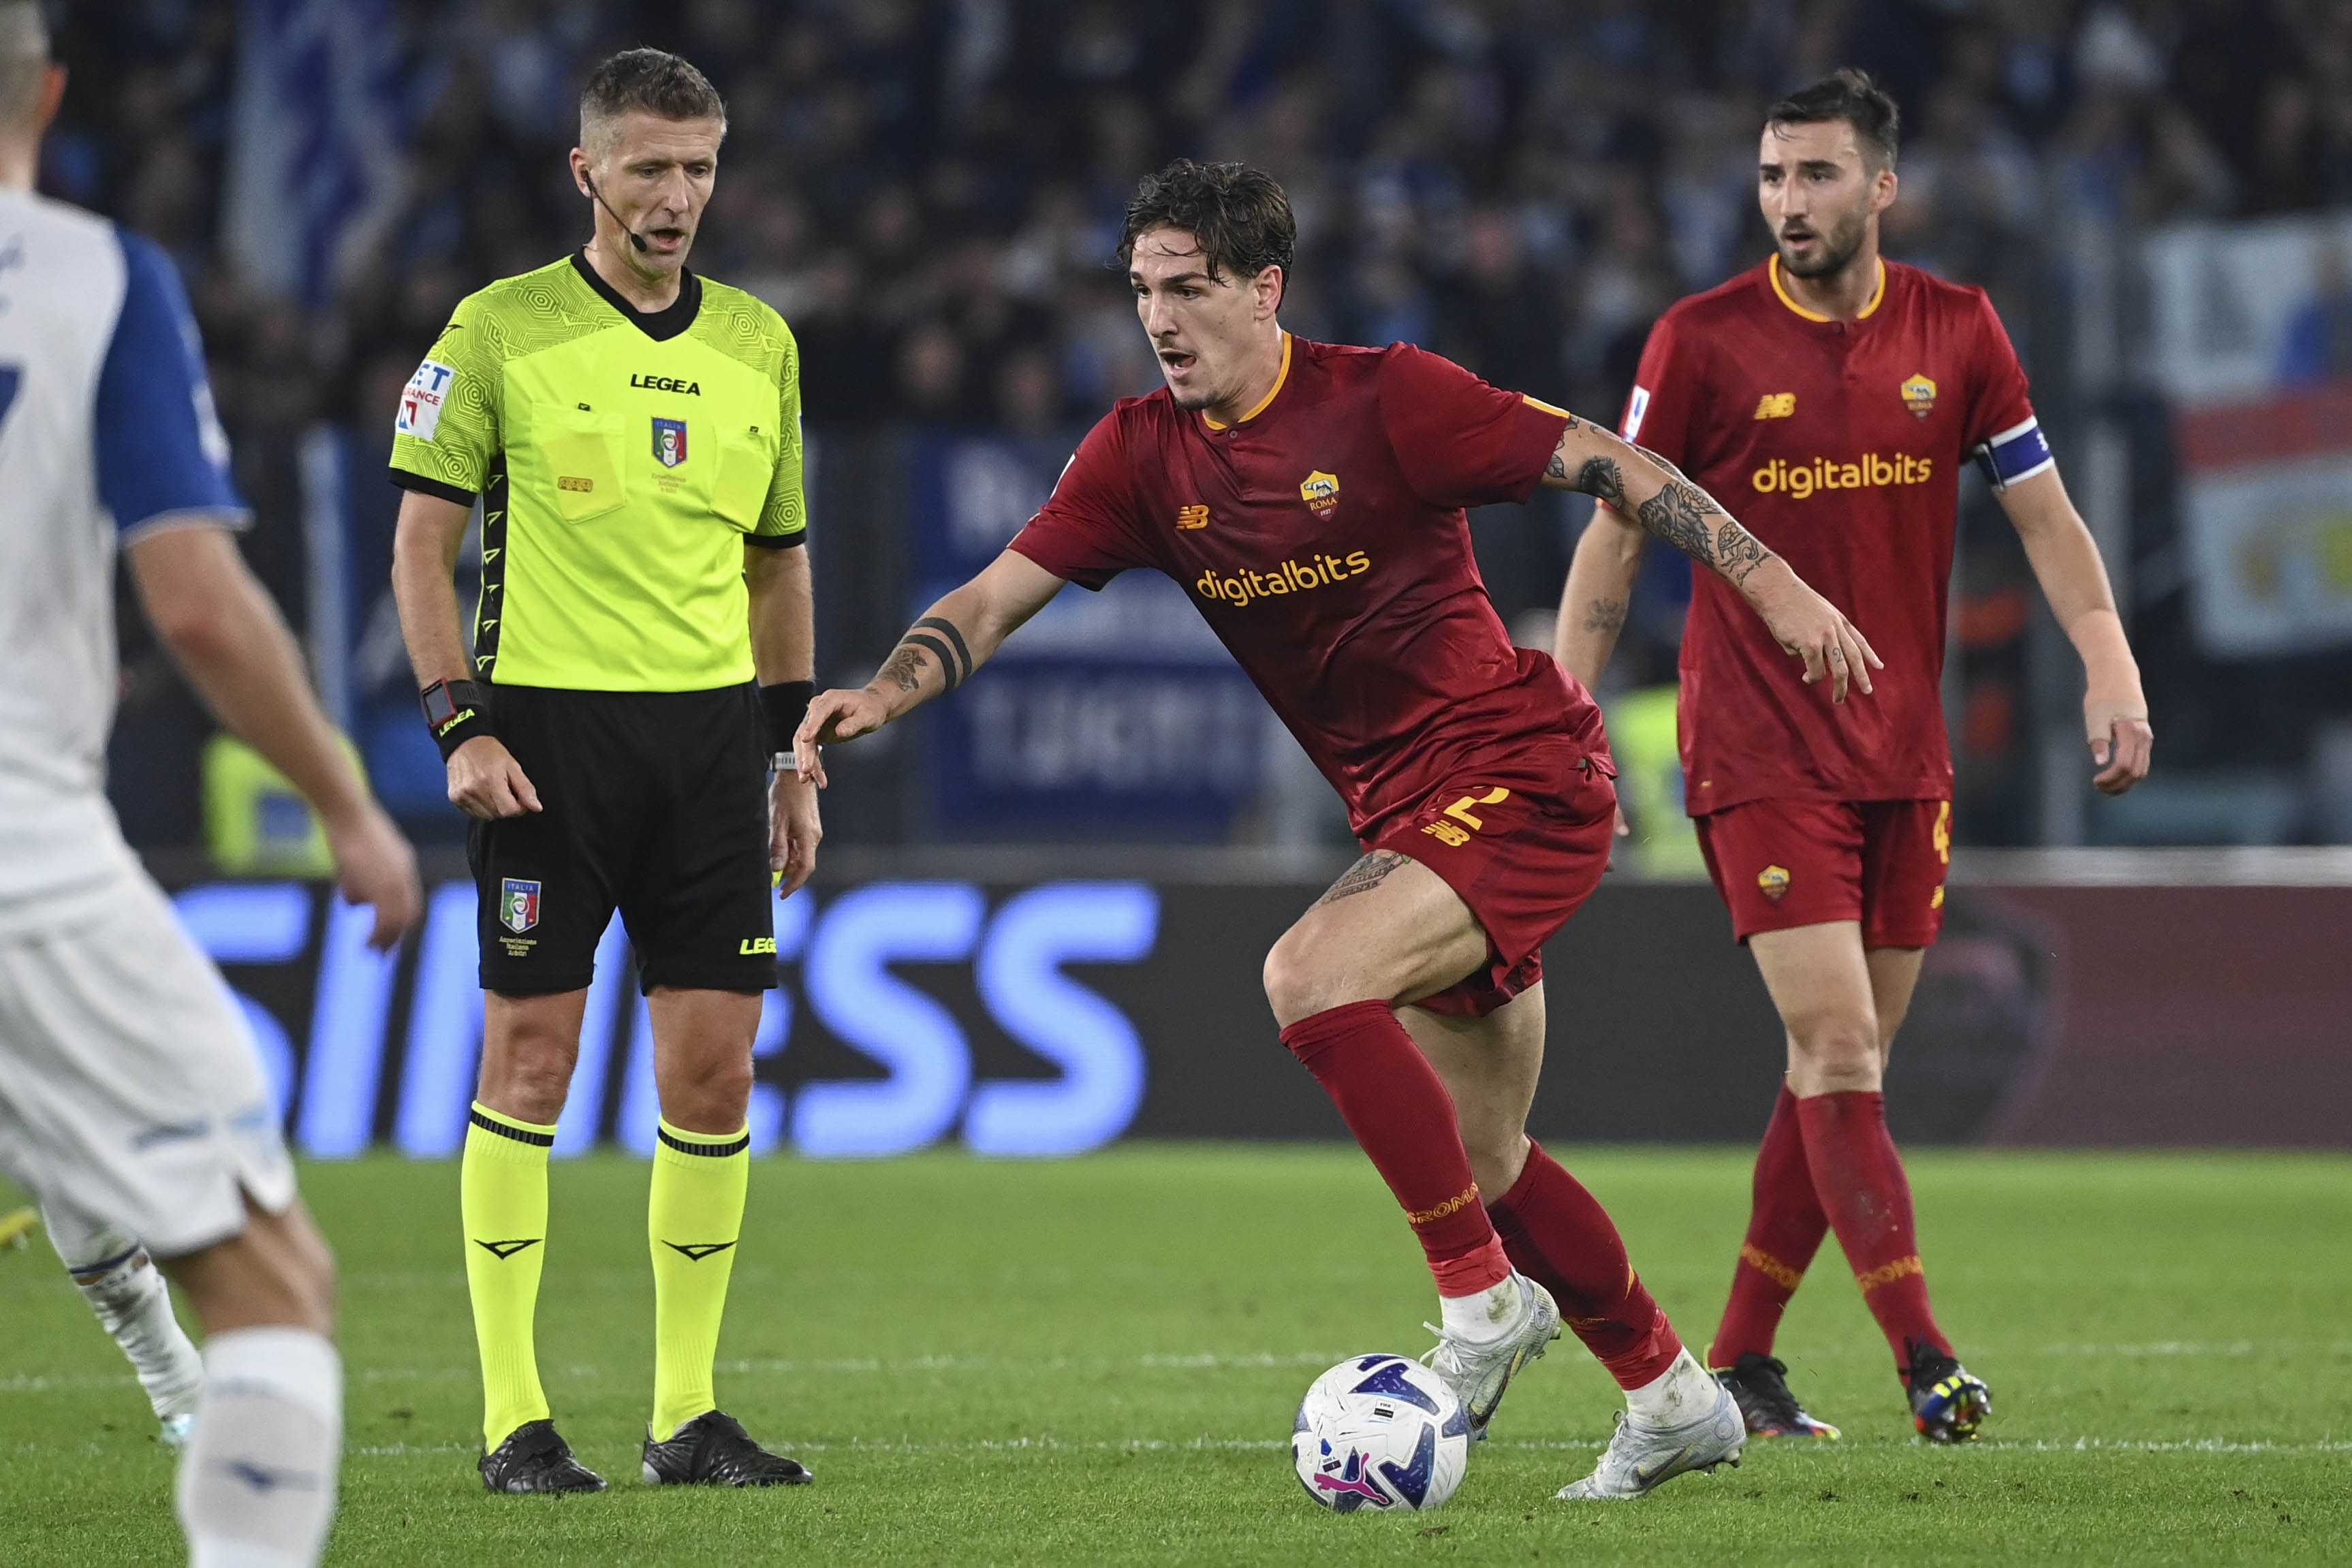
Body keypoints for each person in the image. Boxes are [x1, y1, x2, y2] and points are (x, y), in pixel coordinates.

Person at [798, 158, 1881, 1502]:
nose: (1159, 317)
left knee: (1307, 974)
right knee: (1486, 1160)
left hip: (1516, 770)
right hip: (1403, 810)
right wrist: (883, 688)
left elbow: (1608, 460)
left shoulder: (1389, 398)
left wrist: (1767, 581)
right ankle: (1671, 1396)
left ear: (1265, 287)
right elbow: (993, 596)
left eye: (1187, 287)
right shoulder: (1140, 455)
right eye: (1141, 289)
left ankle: (1480, 1305)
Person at [1553, 69, 2154, 1445]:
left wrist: (2107, 658)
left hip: (1903, 752)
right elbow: (1612, 527)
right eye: (1770, 176)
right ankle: (1923, 1353)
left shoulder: (1959, 328)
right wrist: (1567, 706)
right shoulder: (1698, 341)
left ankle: (1742, 1364)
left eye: (1815, 175)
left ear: (1880, 186)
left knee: (1842, 1066)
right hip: (1756, 746)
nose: (1786, 203)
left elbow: (2047, 518)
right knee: (1834, 1043)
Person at [0, 3, 425, 1561]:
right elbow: (193, 598)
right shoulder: (95, 281)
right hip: (19, 839)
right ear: (49, 93)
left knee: (85, 1153)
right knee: (267, 1273)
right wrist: (348, 800)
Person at [388, 48, 821, 1493]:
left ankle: (685, 1414)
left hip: (708, 752)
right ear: (586, 172)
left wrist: (790, 751)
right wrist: (461, 724)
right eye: (647, 166)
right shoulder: (498, 331)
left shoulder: (760, 341)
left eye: (697, 167)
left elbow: (777, 562)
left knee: (711, 1070)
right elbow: (419, 546)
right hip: (549, 746)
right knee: (533, 1057)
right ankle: (515, 1416)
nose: (675, 195)